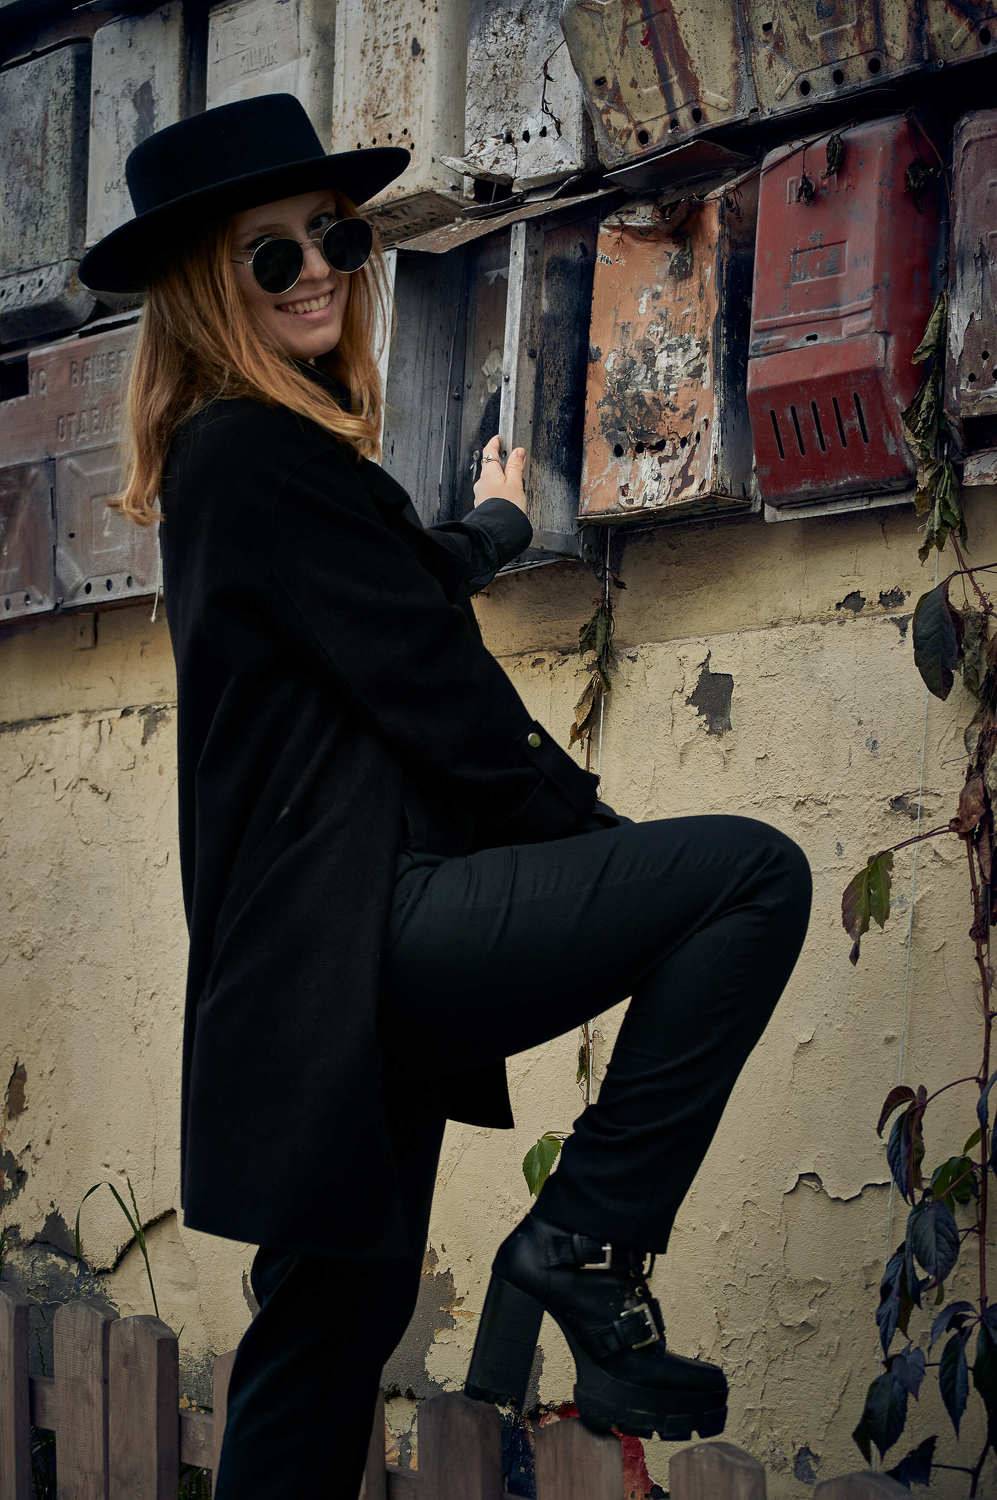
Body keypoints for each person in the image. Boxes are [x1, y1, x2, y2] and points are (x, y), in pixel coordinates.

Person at [78, 93, 813, 1497]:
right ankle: (583, 1242)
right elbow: (433, 687)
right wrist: (595, 847)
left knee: (325, 1336)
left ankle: (574, 1248)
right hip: (365, 934)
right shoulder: (253, 451)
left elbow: (375, 596)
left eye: (335, 238)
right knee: (745, 878)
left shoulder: (248, 465)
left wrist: (485, 530)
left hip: (318, 972)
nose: (317, 272)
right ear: (204, 291)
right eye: (272, 255)